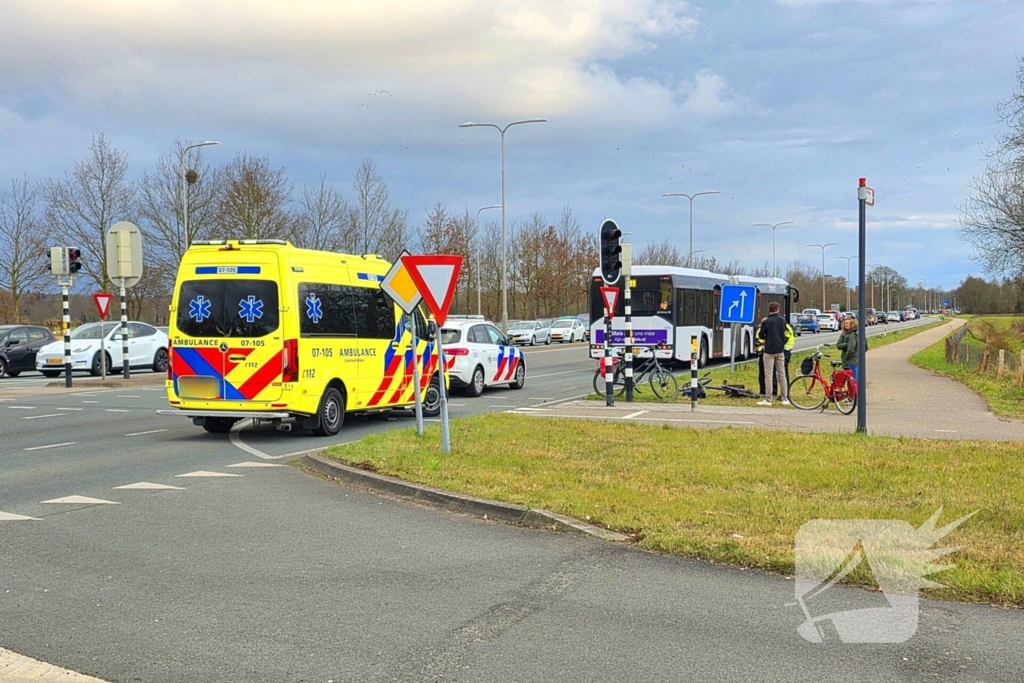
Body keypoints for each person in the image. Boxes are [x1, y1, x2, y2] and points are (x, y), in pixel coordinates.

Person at [757, 302, 789, 406]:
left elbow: (761, 335)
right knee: (782, 374)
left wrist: (763, 326)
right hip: (780, 350)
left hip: (769, 351)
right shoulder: (782, 320)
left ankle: (768, 399)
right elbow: (785, 333)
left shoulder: (767, 321)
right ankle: (785, 398)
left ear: (769, 309)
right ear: (778, 309)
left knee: (768, 375)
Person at [837, 316, 861, 381]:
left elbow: (853, 347)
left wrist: (850, 346)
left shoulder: (854, 334)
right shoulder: (843, 334)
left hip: (852, 359)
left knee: (853, 379)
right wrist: (848, 345)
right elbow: (838, 345)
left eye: (848, 323)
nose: (846, 325)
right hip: (845, 360)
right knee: (848, 380)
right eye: (845, 323)